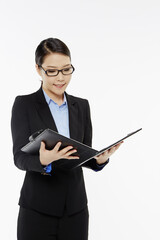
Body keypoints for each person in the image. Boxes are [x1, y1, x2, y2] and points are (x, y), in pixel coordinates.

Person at [11, 38, 122, 240]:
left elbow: (82, 153)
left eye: (66, 69)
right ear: (38, 69)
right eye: (52, 71)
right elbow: (19, 157)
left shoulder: (81, 106)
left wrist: (99, 160)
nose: (60, 78)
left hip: (75, 210)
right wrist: (43, 161)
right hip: (37, 210)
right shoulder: (24, 104)